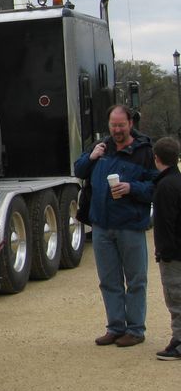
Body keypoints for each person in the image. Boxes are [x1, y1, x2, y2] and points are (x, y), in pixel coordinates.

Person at [73, 105, 155, 347]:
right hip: (101, 225)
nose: (117, 130)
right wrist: (92, 156)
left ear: (131, 123)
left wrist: (132, 188)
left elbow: (154, 186)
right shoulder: (102, 147)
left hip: (130, 225)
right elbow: (78, 170)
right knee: (109, 280)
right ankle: (115, 327)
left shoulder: (144, 151)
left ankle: (136, 330)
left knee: (136, 279)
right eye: (113, 125)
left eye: (121, 125)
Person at [151, 136, 181, 361]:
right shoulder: (177, 181)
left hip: (173, 253)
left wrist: (164, 251)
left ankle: (179, 342)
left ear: (156, 158)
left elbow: (164, 223)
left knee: (175, 296)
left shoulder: (164, 186)